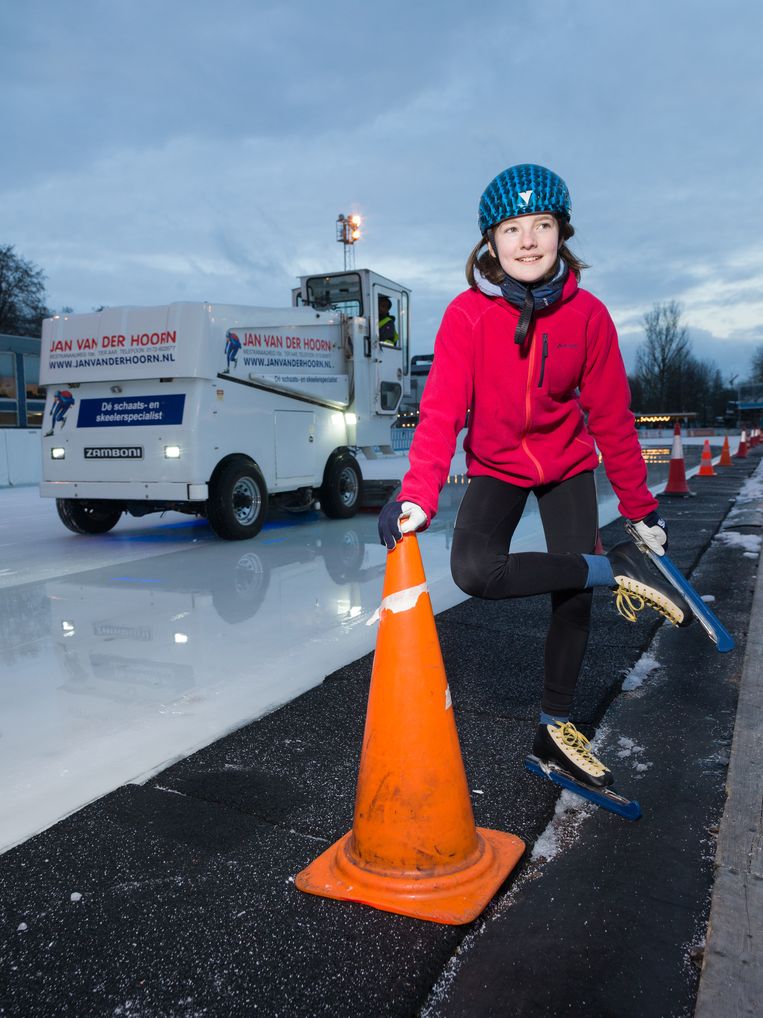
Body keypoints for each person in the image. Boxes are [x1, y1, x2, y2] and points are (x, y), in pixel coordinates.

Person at [378, 163, 691, 790]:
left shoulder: (589, 316)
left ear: (561, 233)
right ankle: (614, 569)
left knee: (570, 596)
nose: (528, 240)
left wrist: (638, 506)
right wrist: (418, 491)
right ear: (489, 242)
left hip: (568, 463)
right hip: (496, 463)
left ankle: (555, 730)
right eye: (513, 227)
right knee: (475, 571)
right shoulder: (467, 316)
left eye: (541, 225)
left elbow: (611, 416)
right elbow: (441, 410)